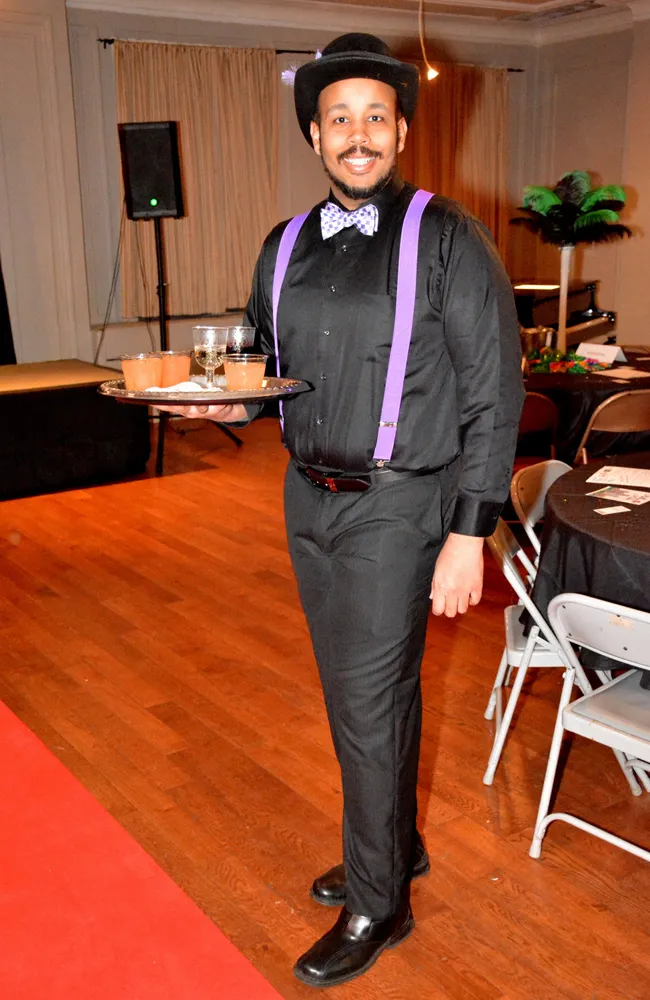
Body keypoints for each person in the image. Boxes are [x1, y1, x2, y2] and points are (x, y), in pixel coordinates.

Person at [162, 33, 525, 989]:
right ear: (314, 136)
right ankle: (393, 846)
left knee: (366, 702)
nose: (357, 135)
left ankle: (378, 902)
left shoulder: (447, 237)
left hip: (400, 506)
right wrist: (221, 406)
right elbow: (262, 371)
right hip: (307, 497)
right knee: (362, 693)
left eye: (375, 117)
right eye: (338, 119)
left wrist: (469, 534)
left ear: (401, 131)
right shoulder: (281, 245)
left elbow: (496, 393)